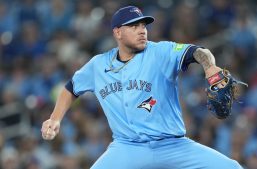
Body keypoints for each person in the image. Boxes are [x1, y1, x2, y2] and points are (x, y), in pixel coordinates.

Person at [41, 6, 243, 169]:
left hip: (172, 145)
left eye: (143, 25)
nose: (142, 30)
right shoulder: (98, 65)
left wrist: (209, 67)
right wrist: (55, 118)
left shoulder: (160, 52)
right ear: (117, 32)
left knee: (231, 167)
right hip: (127, 148)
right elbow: (71, 88)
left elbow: (198, 52)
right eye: (134, 26)